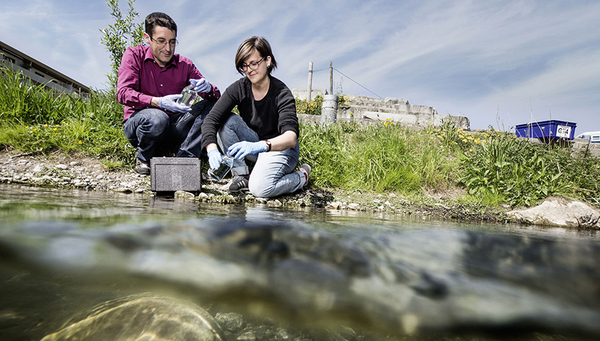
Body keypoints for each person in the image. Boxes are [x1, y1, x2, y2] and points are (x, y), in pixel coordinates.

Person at [200, 36, 310, 198]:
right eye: (244, 65)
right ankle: (241, 175)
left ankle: (301, 176)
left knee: (260, 189)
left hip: (282, 150)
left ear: (268, 61)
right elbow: (211, 119)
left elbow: (290, 138)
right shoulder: (239, 88)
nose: (249, 69)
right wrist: (212, 149)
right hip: (256, 144)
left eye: (254, 63)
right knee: (227, 121)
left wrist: (258, 146)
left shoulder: (282, 93)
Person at [117, 12, 221, 175]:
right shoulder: (133, 55)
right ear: (147, 38)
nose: (168, 48)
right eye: (161, 41)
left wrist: (209, 89)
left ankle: (185, 157)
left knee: (213, 105)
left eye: (172, 42)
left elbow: (216, 97)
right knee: (158, 118)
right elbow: (123, 93)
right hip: (142, 124)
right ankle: (144, 157)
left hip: (174, 125)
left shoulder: (185, 64)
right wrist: (157, 102)